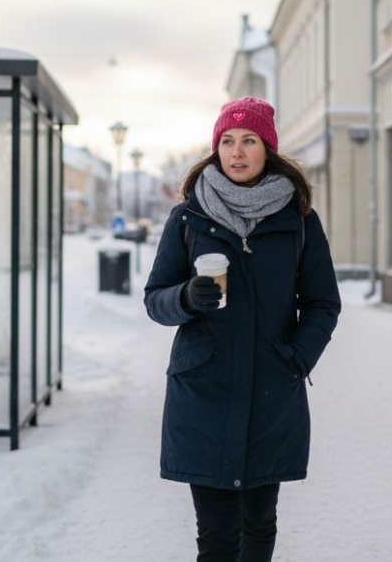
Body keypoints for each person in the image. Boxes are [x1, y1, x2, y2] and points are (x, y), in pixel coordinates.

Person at [144, 96, 341, 562]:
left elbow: (322, 303)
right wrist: (186, 298)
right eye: (227, 141)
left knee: (259, 524)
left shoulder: (298, 222)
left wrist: (295, 359)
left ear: (266, 149)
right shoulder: (188, 218)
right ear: (216, 149)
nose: (237, 151)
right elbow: (156, 299)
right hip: (203, 393)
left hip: (271, 393)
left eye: (248, 140)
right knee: (216, 535)